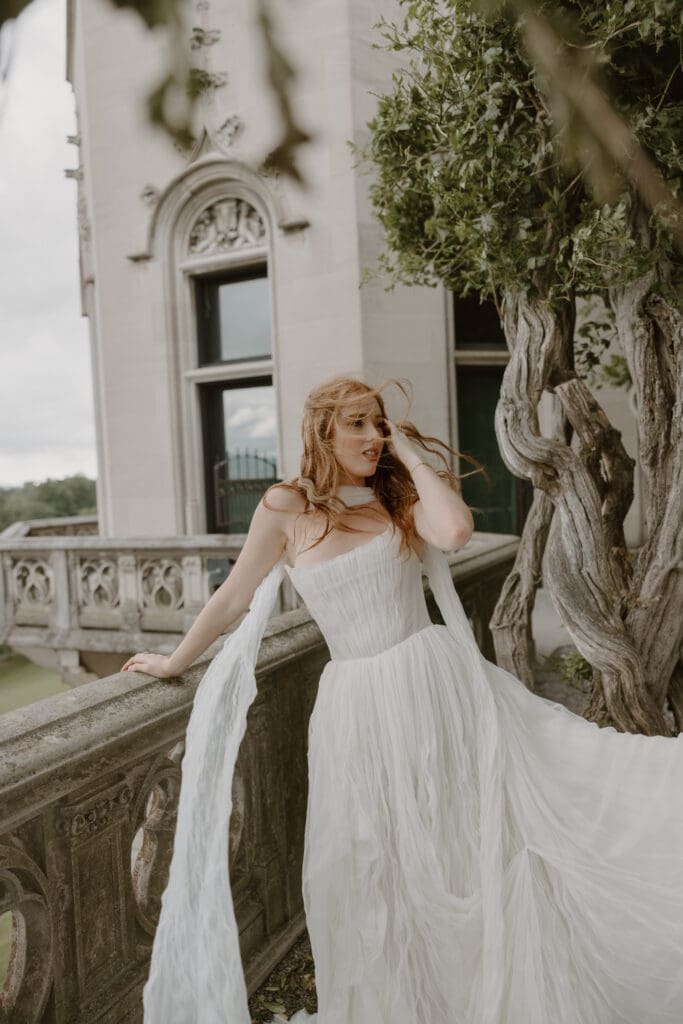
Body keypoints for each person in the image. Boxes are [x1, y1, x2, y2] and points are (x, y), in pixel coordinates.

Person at [124, 375, 683, 1024]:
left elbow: (455, 532)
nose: (372, 435)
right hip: (357, 708)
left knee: (469, 839)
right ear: (322, 431)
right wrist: (175, 661)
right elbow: (232, 596)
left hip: (435, 686)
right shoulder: (284, 505)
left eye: (378, 421)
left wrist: (410, 456)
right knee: (378, 863)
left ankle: (488, 984)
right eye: (357, 423)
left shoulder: (394, 498)